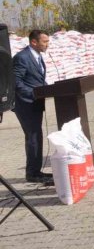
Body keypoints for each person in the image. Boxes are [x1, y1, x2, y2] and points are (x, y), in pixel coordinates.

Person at [13, 29, 52, 184]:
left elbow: (36, 80)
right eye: (45, 42)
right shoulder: (22, 58)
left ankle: (35, 171)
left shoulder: (38, 57)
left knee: (36, 136)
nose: (47, 44)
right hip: (25, 104)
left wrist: (48, 88)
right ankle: (32, 173)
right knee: (33, 137)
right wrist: (34, 94)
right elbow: (16, 82)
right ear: (34, 42)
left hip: (35, 103)